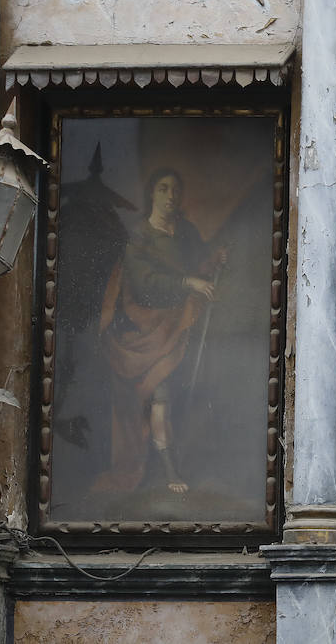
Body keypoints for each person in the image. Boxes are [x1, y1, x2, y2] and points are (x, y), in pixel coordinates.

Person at [91, 168, 224, 496]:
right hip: (142, 332)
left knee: (179, 398)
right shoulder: (139, 236)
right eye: (163, 189)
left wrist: (214, 261)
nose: (170, 196)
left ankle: (168, 464)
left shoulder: (186, 232)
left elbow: (199, 263)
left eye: (176, 190)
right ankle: (169, 472)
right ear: (152, 193)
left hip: (178, 329)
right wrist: (187, 283)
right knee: (159, 398)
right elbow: (144, 284)